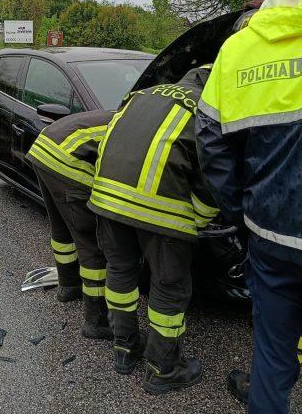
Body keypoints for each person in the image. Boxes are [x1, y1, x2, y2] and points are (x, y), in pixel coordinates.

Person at [195, 0, 302, 413]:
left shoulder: (240, 48)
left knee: (272, 360)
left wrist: (244, 213)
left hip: (270, 237)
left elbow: (211, 143)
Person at [87, 68, 219, 395]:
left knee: (120, 271)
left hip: (107, 198)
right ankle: (164, 368)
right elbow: (211, 169)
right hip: (161, 210)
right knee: (169, 287)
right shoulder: (208, 106)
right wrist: (202, 218)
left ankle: (124, 348)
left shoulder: (142, 94)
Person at [26, 109, 114, 341]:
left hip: (43, 149)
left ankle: (68, 286)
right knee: (91, 241)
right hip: (65, 157)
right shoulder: (138, 130)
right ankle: (97, 321)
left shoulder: (124, 115)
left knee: (62, 230)